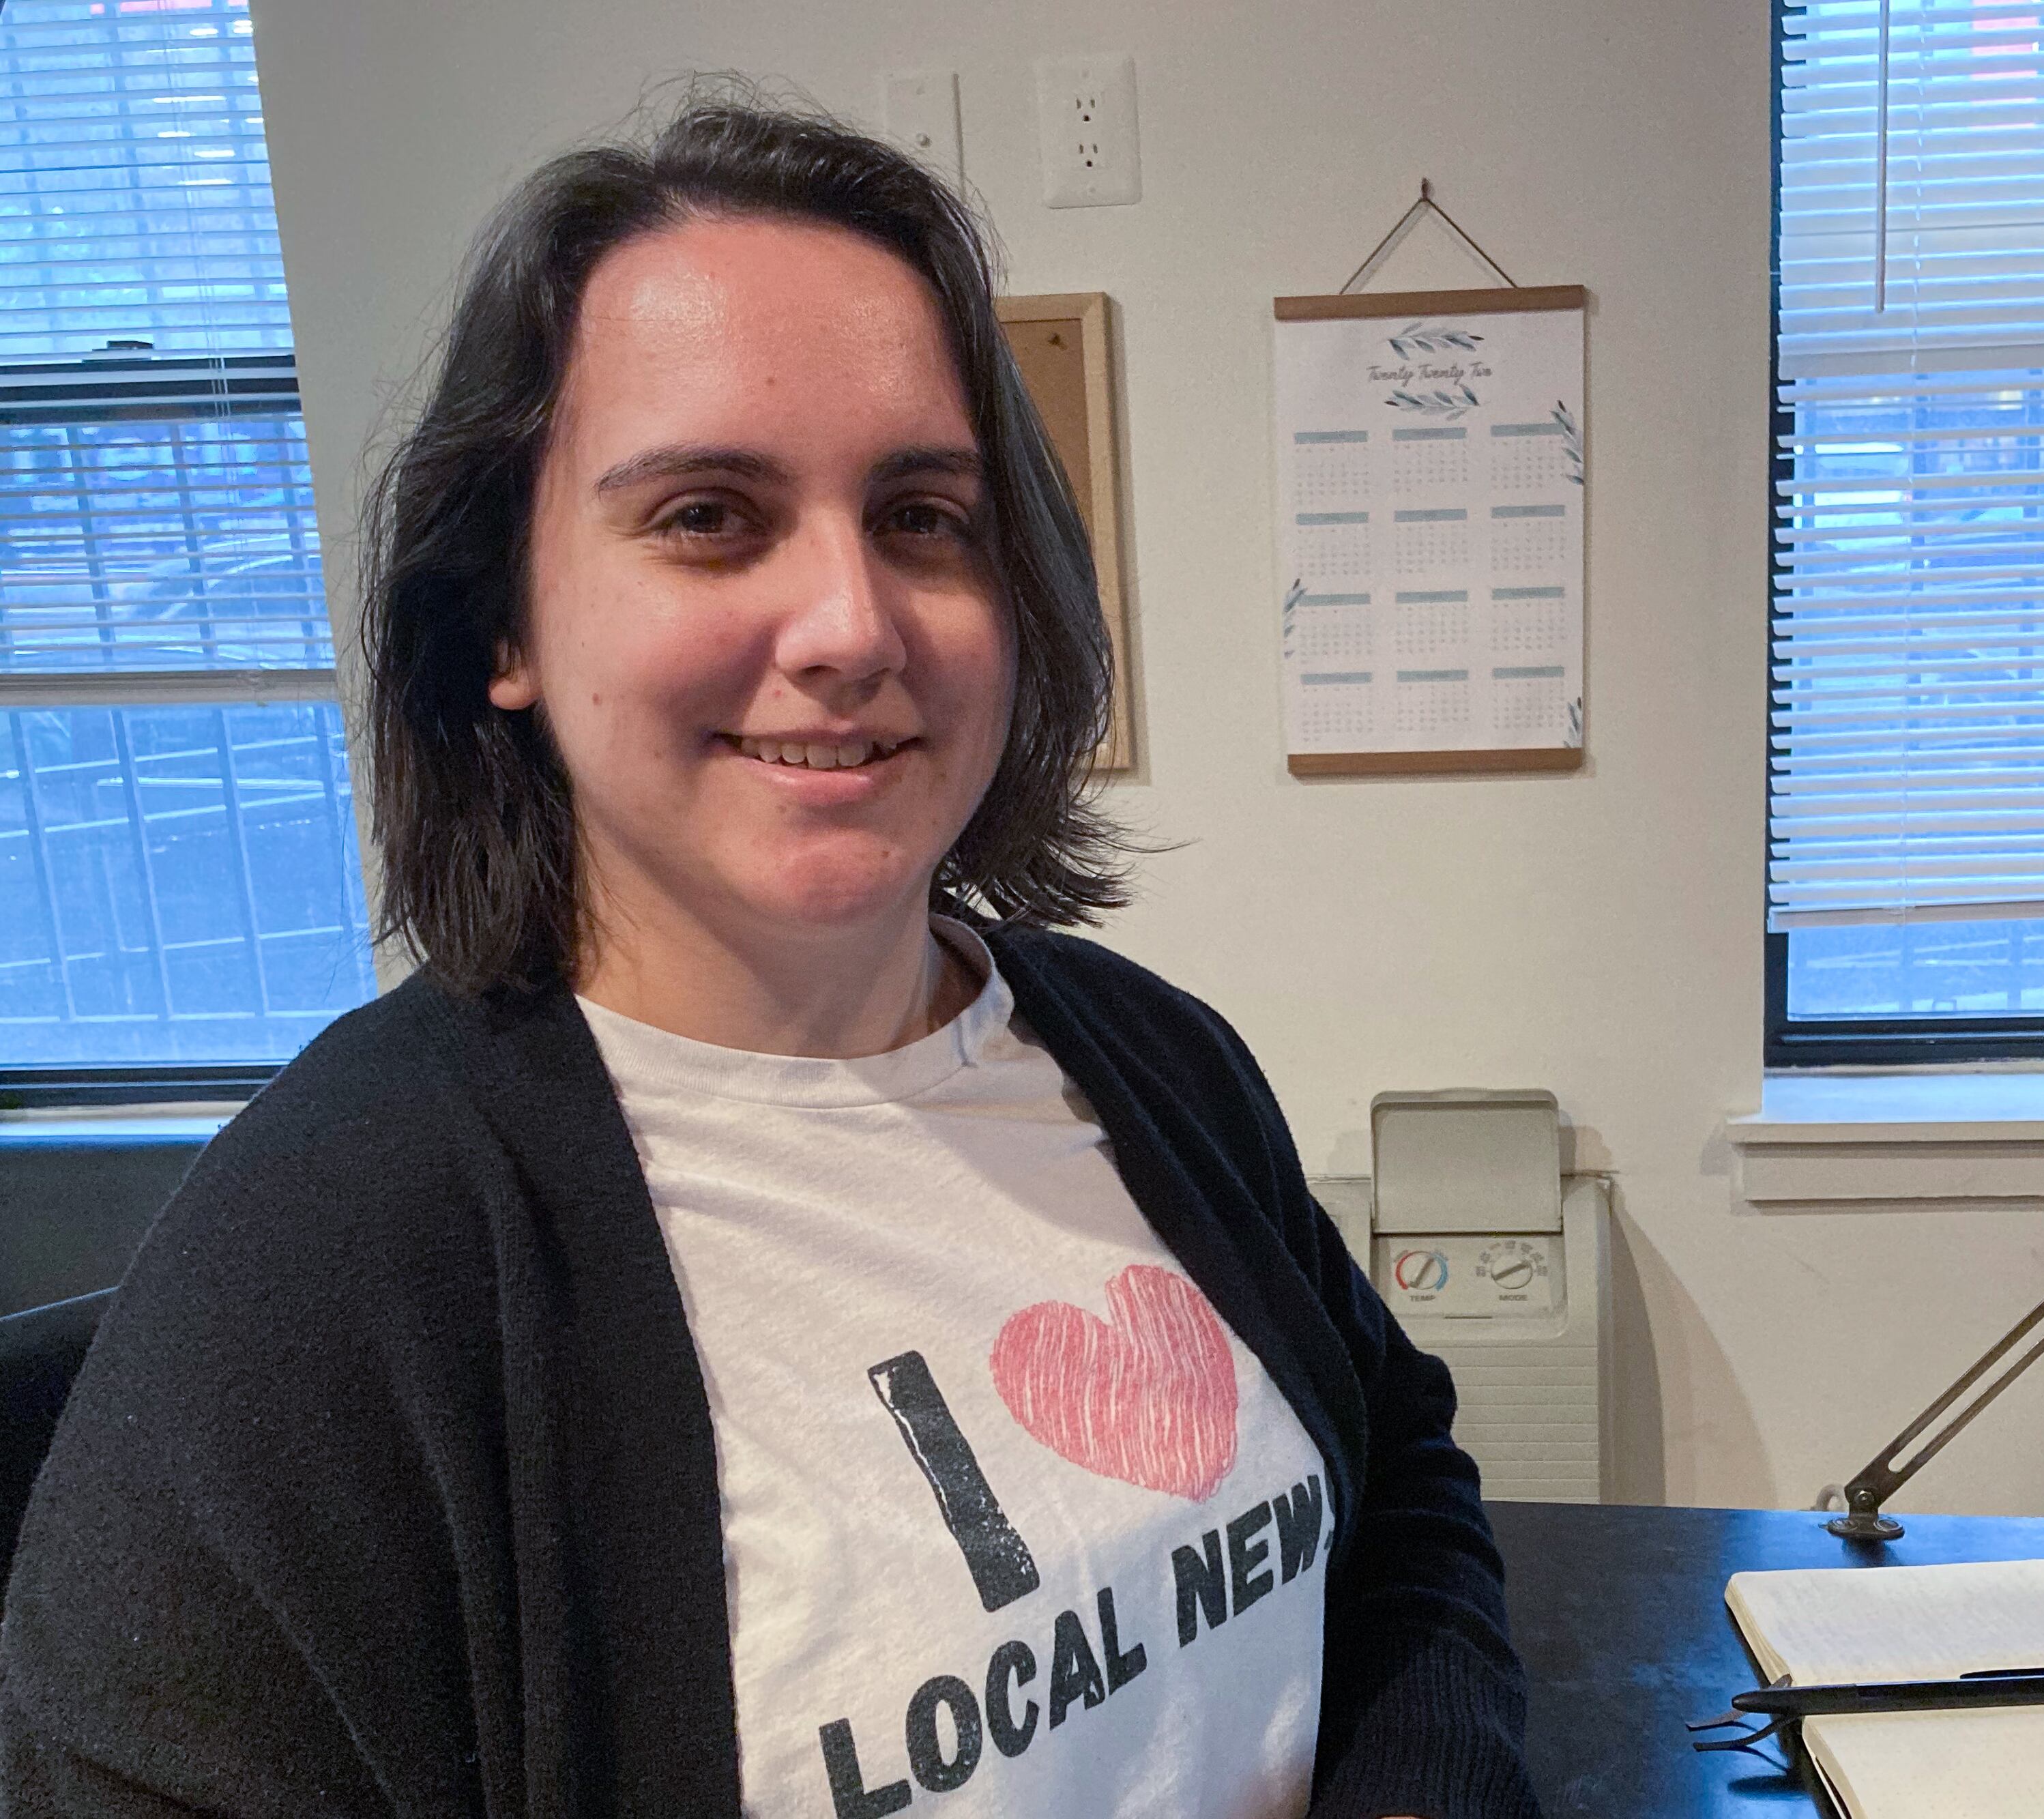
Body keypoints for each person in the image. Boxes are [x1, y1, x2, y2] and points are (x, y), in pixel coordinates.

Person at [0, 94, 1537, 1819]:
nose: (852, 626)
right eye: (710, 516)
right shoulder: (322, 1280)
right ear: (503, 618)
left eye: (922, 517)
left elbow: (1396, 1479)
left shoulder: (1151, 1060)